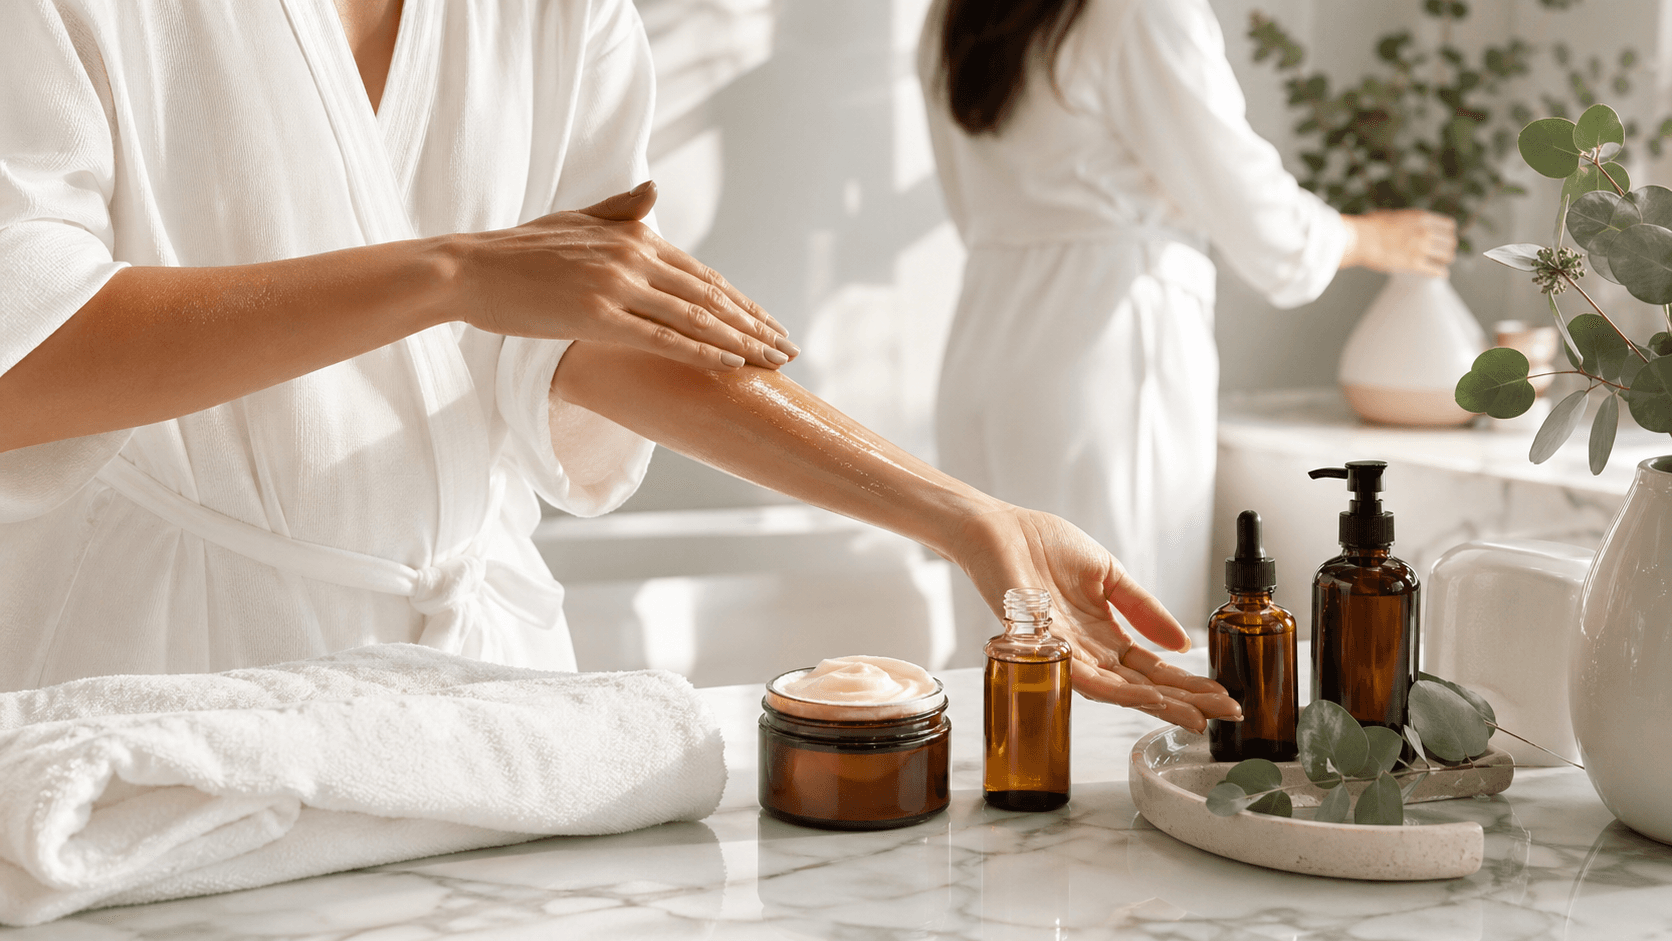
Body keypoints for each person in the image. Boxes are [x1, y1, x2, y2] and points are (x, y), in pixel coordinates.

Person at [0, 0, 1236, 731]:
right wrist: (451, 272)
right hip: (161, 671)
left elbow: (591, 336)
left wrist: (969, 517)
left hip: (477, 688)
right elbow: (24, 363)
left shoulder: (562, 14)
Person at [919, 0, 1458, 656]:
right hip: (1104, 348)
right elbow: (1253, 212)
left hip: (984, 341)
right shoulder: (1137, 11)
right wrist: (1367, 237)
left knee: (1004, 643)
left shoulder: (954, 16)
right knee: (1117, 639)